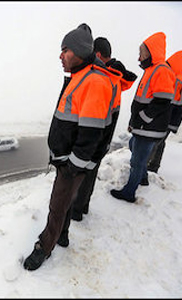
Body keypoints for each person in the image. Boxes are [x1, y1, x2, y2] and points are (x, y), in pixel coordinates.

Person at [23, 24, 122, 271]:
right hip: (67, 159)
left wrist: (71, 166)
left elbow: (91, 133)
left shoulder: (95, 81)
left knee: (57, 206)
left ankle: (44, 247)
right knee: (65, 200)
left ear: (78, 50)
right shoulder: (81, 76)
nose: (60, 56)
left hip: (72, 163)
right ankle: (63, 235)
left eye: (64, 50)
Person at [71, 37, 137, 221]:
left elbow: (97, 112)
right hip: (104, 136)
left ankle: (76, 211)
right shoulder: (114, 76)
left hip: (97, 136)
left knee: (84, 174)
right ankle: (83, 206)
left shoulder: (106, 77)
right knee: (91, 174)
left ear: (98, 54)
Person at [110, 32, 176, 203]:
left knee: (137, 160)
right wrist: (135, 122)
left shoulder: (161, 71)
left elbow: (163, 101)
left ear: (151, 52)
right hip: (144, 126)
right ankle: (143, 177)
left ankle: (129, 192)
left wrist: (144, 118)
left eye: (142, 52)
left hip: (149, 128)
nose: (139, 57)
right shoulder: (152, 70)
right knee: (133, 146)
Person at [145, 50, 182, 177]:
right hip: (170, 120)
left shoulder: (177, 80)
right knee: (160, 142)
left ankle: (145, 166)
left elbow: (169, 102)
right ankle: (154, 165)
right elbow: (181, 106)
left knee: (154, 142)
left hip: (165, 119)